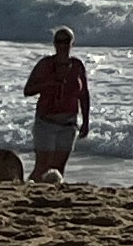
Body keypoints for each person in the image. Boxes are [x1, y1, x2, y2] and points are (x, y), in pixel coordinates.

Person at [22, 26, 92, 181]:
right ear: (54, 44)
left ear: (71, 43)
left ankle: (53, 193)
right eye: (59, 41)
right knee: (42, 167)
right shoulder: (45, 64)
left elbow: (84, 95)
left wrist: (86, 121)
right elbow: (28, 90)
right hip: (46, 122)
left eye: (66, 41)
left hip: (68, 122)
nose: (63, 45)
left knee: (58, 169)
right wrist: (47, 85)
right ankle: (29, 188)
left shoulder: (77, 66)